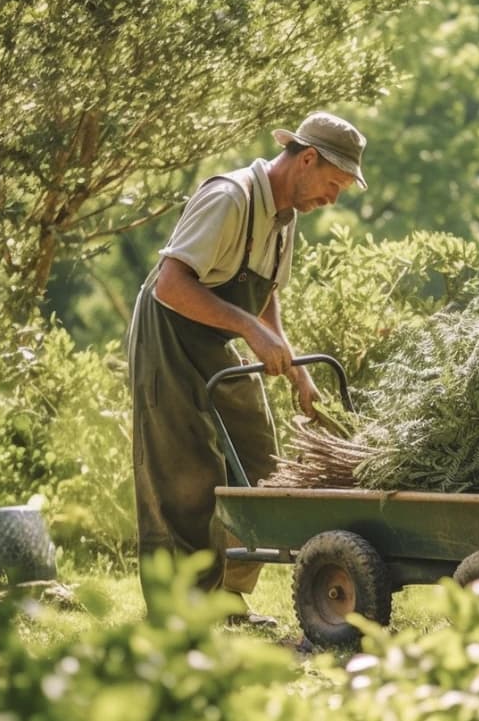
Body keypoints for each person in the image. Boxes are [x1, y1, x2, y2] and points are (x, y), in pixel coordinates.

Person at [126, 112, 367, 623]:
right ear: (306, 159)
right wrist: (249, 330)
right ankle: (180, 614)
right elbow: (171, 285)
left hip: (216, 337)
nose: (334, 197)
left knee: (259, 466)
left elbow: (264, 294)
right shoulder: (229, 197)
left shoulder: (285, 215)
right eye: (334, 183)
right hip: (167, 336)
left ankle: (228, 596)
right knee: (185, 477)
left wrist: (292, 359)